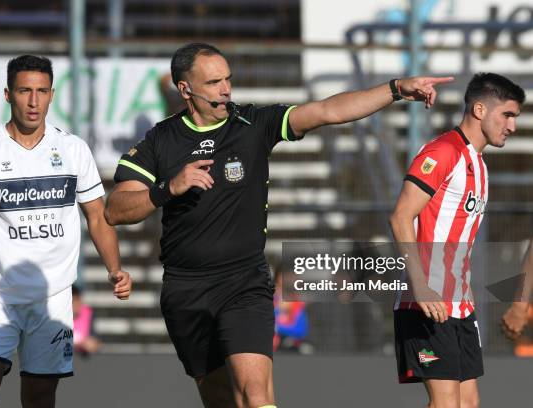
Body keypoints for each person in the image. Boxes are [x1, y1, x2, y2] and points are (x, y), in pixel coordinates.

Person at [104, 42, 451, 408]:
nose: (226, 89)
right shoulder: (160, 141)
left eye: (228, 79)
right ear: (185, 89)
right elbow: (116, 209)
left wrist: (395, 89)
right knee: (221, 399)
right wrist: (168, 188)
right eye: (213, 82)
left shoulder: (252, 124)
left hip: (244, 283)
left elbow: (328, 111)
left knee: (256, 394)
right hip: (185, 289)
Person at [0, 55, 132, 408]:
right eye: (25, 90)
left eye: (41, 91)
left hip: (53, 295)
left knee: (40, 398)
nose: (33, 101)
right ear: (8, 94)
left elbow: (97, 216)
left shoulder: (73, 150)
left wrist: (113, 268)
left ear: (52, 95)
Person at [390, 73, 525, 407]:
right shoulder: (443, 151)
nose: (512, 126)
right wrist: (420, 286)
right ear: (479, 109)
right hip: (427, 303)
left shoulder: (478, 165)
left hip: (459, 306)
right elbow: (401, 216)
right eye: (507, 115)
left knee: (468, 404)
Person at [72, 285, 101, 355]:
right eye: (73, 301)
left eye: (77, 300)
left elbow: (95, 342)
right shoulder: (57, 319)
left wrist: (93, 344)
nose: (76, 304)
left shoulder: (88, 313)